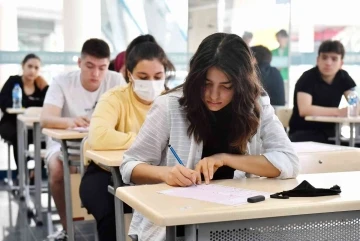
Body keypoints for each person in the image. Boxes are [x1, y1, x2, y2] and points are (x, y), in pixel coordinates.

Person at [120, 32, 299, 240]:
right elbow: (129, 166)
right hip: (177, 225)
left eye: (226, 87)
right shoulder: (169, 106)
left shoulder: (256, 107)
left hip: (236, 222)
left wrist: (225, 159)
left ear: (241, 85)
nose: (214, 95)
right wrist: (166, 174)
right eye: (206, 84)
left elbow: (289, 162)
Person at [79, 34, 175, 241]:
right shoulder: (114, 98)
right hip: (106, 174)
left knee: (178, 214)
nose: (151, 83)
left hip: (158, 174)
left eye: (158, 77)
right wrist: (147, 141)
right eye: (143, 76)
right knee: (109, 214)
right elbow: (98, 137)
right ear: (129, 74)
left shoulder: (174, 101)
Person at [40, 38, 126, 241]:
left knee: (122, 172)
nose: (96, 73)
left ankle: (118, 228)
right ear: (80, 63)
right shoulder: (62, 81)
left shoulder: (115, 80)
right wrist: (71, 121)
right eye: (90, 66)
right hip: (66, 143)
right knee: (57, 170)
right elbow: (45, 118)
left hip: (103, 145)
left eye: (102, 67)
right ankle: (67, 228)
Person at [289, 40, 356, 143]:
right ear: (317, 60)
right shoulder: (307, 78)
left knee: (355, 146)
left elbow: (355, 102)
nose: (328, 63)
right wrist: (339, 112)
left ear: (341, 63)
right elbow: (305, 109)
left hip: (331, 133)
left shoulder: (344, 77)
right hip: (303, 132)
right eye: (324, 57)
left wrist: (354, 108)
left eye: (334, 59)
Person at [0, 53, 48, 173]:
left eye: (36, 68)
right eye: (30, 66)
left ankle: (36, 171)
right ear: (23, 66)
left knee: (44, 137)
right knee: (20, 136)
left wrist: (46, 87)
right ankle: (23, 174)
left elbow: (48, 103)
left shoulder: (40, 85)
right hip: (10, 124)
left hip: (33, 126)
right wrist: (32, 102)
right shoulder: (13, 81)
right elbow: (4, 102)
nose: (32, 70)